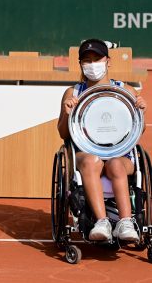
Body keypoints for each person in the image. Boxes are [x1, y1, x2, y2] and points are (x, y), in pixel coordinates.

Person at [58, 38, 147, 241]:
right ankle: (102, 222)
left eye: (96, 59)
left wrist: (142, 112)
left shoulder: (126, 91)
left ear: (108, 61)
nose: (92, 64)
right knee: (92, 161)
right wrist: (67, 113)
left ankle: (126, 223)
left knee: (115, 164)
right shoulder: (73, 93)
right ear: (80, 64)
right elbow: (63, 133)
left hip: (121, 154)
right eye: (86, 60)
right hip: (85, 153)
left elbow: (136, 132)